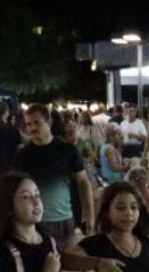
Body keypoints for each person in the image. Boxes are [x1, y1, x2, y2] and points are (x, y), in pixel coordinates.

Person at [15, 104, 93, 245]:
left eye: (37, 122)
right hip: (36, 221)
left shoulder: (68, 150)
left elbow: (83, 182)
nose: (32, 128)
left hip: (66, 221)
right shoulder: (22, 156)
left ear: (49, 122)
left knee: (68, 263)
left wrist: (90, 215)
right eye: (28, 124)